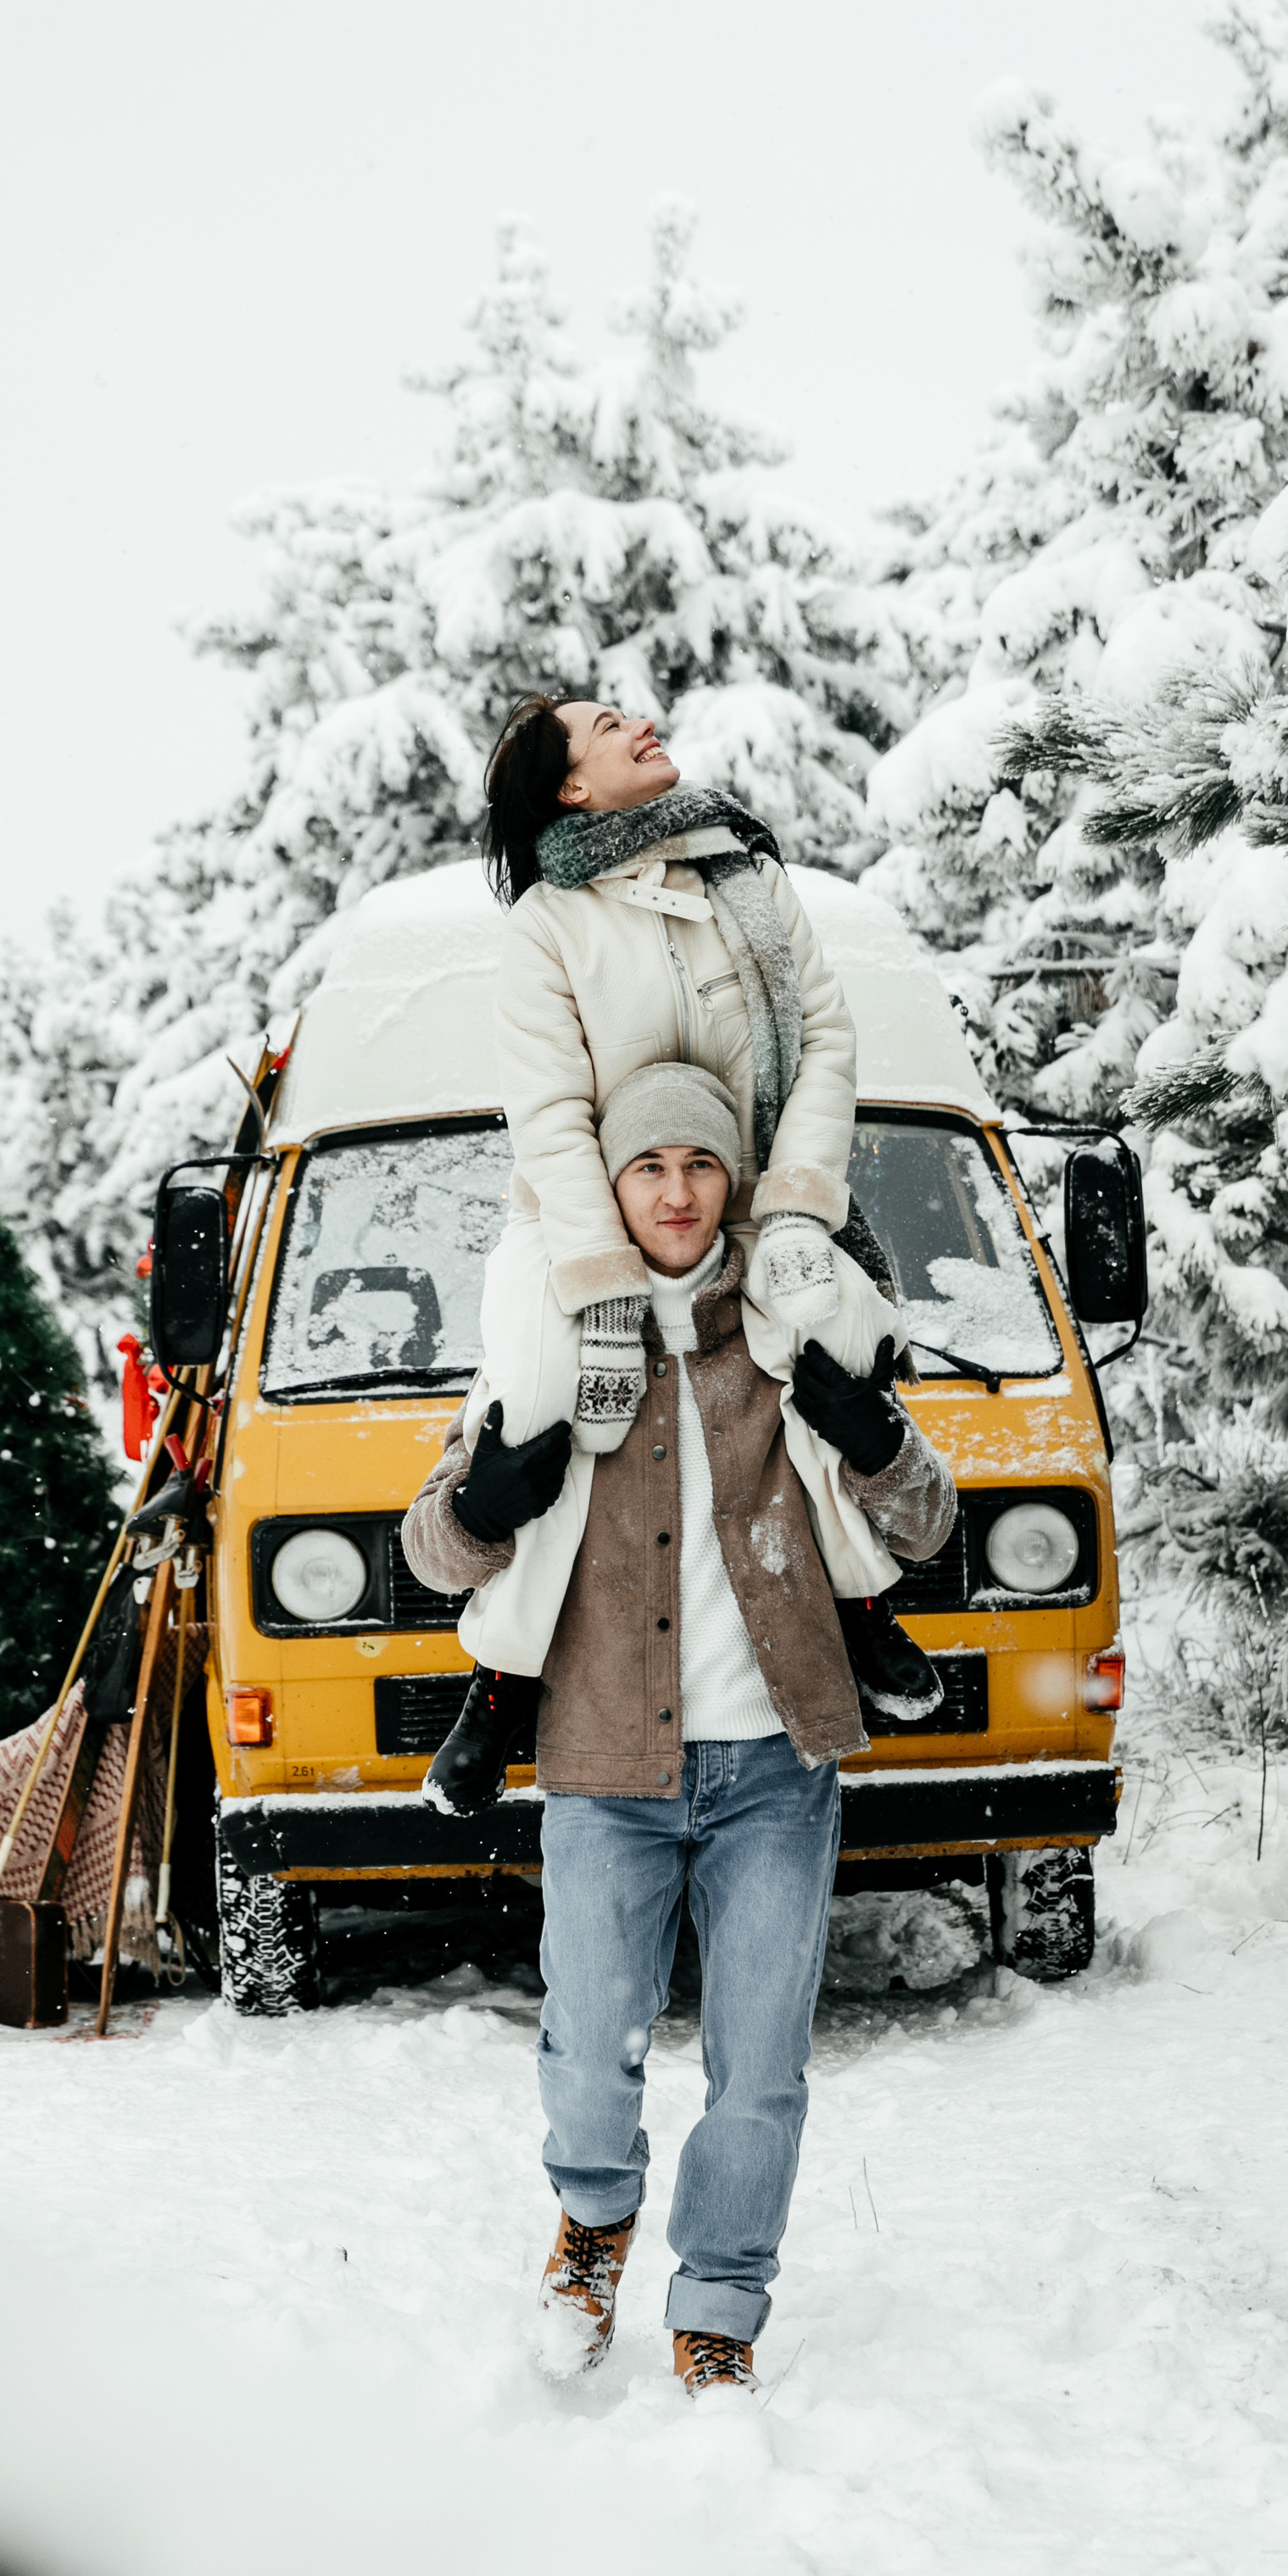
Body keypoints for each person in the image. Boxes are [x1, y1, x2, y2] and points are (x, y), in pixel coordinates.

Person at [402, 1062, 956, 2393]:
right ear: (611, 1185)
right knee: (589, 2051)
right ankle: (592, 2225)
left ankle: (719, 2302)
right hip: (603, 1763)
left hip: (774, 1763)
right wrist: (487, 1500)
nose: (673, 1190)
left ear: (731, 1184)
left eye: (698, 1166)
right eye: (647, 1167)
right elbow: (429, 1552)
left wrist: (874, 1437)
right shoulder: (552, 1332)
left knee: (758, 2070)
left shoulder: (785, 1324)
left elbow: (925, 1518)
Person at [421, 693, 944, 1815]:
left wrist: (798, 1209)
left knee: (828, 1351)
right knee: (558, 1399)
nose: (639, 725)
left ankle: (859, 1608)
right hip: (581, 1219)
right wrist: (602, 1284)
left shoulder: (748, 883)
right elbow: (552, 1120)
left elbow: (825, 1047)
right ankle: (501, 1683)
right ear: (566, 785)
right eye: (607, 726)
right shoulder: (548, 928)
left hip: (747, 1205)